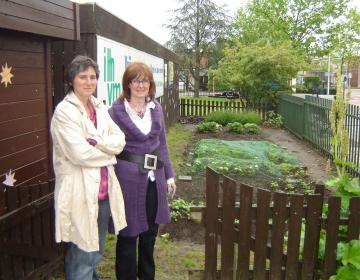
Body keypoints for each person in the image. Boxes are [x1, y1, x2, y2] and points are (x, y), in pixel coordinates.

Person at [50, 55, 127, 279]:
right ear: (71, 80)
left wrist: (99, 143)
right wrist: (110, 155)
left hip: (102, 194)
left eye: (93, 77)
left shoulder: (99, 107)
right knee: (82, 255)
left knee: (96, 251)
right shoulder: (64, 112)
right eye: (82, 76)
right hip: (80, 194)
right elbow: (80, 154)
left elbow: (120, 140)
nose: (88, 81)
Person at [108, 62, 177, 280]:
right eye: (135, 80)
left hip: (154, 179)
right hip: (128, 181)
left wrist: (170, 175)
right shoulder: (115, 112)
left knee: (149, 236)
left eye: (144, 80)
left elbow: (162, 145)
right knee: (128, 236)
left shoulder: (156, 109)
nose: (140, 85)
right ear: (127, 84)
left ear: (150, 84)